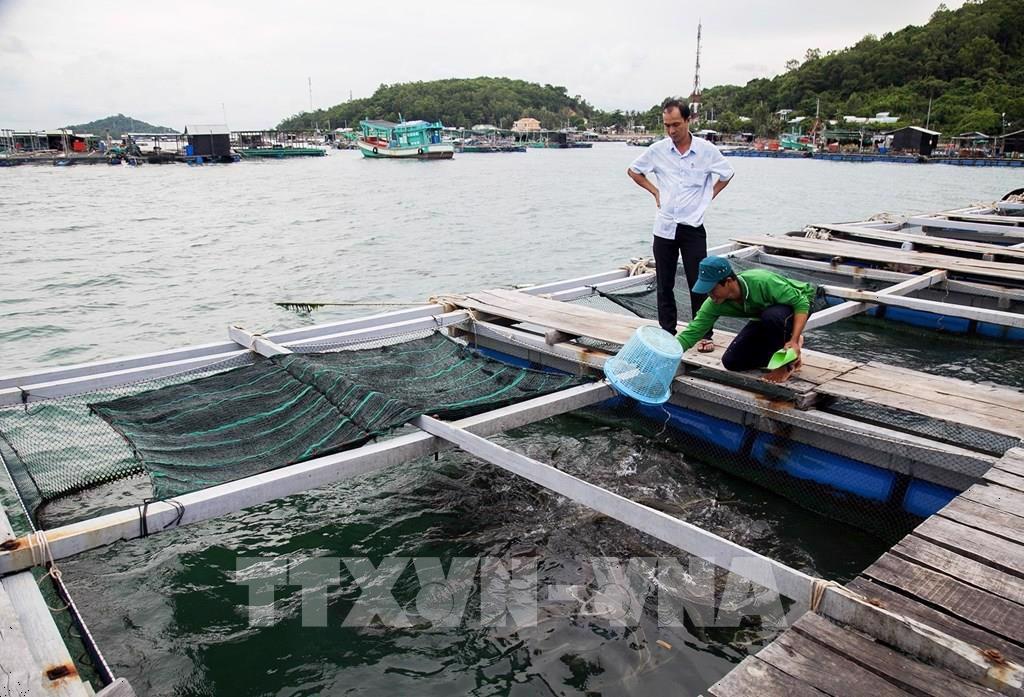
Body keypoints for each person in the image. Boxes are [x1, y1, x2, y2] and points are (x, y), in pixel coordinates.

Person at [627, 98, 734, 349]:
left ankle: (704, 334)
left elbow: (727, 174)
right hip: (664, 227)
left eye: (676, 124)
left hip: (693, 226)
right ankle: (667, 332)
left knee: (701, 281)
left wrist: (709, 196)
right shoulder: (658, 150)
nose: (672, 131)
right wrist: (654, 192)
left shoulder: (707, 150)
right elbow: (634, 170)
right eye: (667, 126)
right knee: (664, 283)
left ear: (688, 120)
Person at [676, 256, 820, 383]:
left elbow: (801, 303)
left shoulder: (761, 281)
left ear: (728, 281)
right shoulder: (714, 303)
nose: (710, 294)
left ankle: (787, 363)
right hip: (764, 314)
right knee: (731, 362)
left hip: (799, 303)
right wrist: (667, 353)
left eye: (712, 289)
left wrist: (793, 340)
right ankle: (785, 348)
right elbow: (693, 331)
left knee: (772, 317)